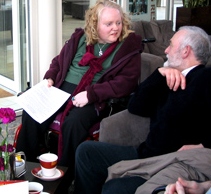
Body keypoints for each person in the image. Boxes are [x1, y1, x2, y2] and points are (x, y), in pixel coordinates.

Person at [74, 26, 211, 194]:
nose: (166, 50)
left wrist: (204, 145)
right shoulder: (167, 78)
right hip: (144, 154)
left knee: (114, 189)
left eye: (171, 45)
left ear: (185, 51)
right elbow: (136, 106)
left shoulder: (205, 78)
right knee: (86, 152)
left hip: (170, 164)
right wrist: (159, 73)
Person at [16, 0, 143, 167]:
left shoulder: (128, 47)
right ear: (95, 24)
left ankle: (65, 170)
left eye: (118, 22)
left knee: (73, 123)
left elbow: (126, 83)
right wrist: (51, 77)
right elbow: (58, 62)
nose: (115, 28)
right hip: (61, 88)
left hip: (95, 95)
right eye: (109, 23)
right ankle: (26, 164)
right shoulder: (80, 38)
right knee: (32, 111)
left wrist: (92, 94)